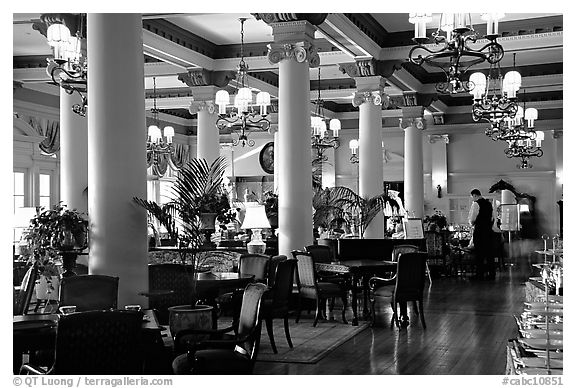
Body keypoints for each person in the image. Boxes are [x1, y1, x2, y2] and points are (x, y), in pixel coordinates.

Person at [468, 188, 495, 280]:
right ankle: (491, 274)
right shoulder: (488, 204)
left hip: (479, 231)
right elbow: (492, 218)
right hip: (488, 231)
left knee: (479, 253)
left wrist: (472, 224)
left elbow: (472, 219)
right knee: (489, 254)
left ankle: (480, 274)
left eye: (472, 197)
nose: (472, 199)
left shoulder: (476, 204)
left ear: (474, 195)